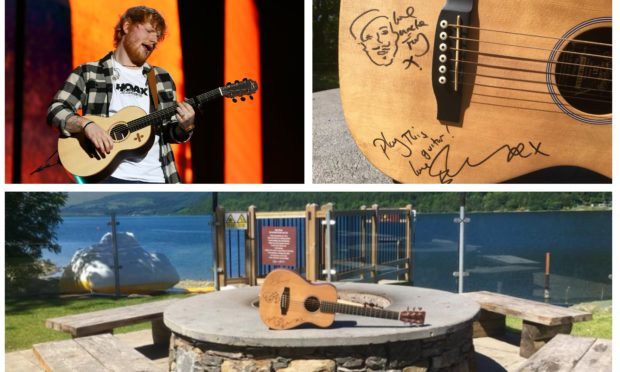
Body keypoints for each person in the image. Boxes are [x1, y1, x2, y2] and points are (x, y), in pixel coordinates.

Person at [47, 5, 195, 183]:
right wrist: (86, 125)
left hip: (157, 177)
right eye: (149, 30)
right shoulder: (89, 72)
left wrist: (185, 127)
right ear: (126, 26)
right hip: (105, 175)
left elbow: (169, 132)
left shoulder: (161, 78)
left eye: (158, 36)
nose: (154, 39)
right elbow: (56, 110)